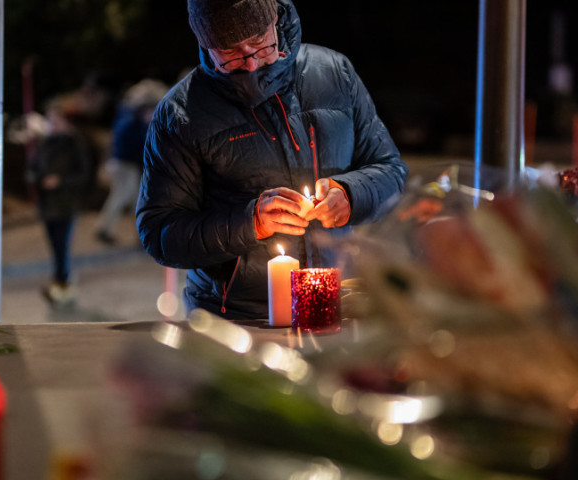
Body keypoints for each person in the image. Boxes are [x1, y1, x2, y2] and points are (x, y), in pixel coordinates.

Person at [136, 0, 407, 320]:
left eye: (259, 43)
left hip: (341, 303)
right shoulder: (181, 113)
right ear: (206, 44)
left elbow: (391, 171)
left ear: (275, 19)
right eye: (230, 52)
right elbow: (159, 233)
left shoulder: (334, 73)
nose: (250, 64)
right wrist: (250, 222)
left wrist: (351, 194)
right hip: (238, 317)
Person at [26, 95, 92, 308]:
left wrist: (60, 181)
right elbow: (31, 171)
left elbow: (83, 174)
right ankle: (62, 283)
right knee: (55, 247)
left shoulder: (74, 144)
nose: (53, 124)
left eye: (56, 120)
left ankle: (62, 286)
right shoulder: (44, 144)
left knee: (62, 246)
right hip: (47, 205)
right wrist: (39, 179)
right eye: (50, 120)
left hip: (66, 205)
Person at [94, 79, 166, 244]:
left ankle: (137, 233)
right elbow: (136, 147)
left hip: (123, 163)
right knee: (123, 196)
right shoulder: (133, 123)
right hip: (126, 164)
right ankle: (105, 229)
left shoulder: (126, 117)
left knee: (133, 197)